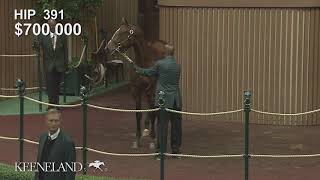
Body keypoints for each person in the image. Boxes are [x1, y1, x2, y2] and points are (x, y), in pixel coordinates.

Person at [132, 42, 182, 158]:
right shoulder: (177, 66)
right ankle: (176, 151)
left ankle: (161, 153)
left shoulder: (160, 64)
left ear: (164, 53)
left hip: (163, 100)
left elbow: (147, 72)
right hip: (176, 100)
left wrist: (135, 67)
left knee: (162, 126)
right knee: (176, 127)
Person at [34, 19, 68, 110]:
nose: (52, 27)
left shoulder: (62, 36)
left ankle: (56, 104)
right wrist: (35, 44)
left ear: (56, 26)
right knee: (49, 85)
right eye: (51, 25)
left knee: (57, 85)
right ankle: (51, 104)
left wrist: (66, 65)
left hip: (59, 65)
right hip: (48, 65)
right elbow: (37, 46)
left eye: (54, 25)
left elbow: (65, 51)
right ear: (48, 26)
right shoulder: (43, 36)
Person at [34, 109, 76, 180]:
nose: (53, 123)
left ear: (60, 122)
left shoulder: (68, 142)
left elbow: (70, 172)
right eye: (51, 120)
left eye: (56, 121)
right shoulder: (42, 138)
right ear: (46, 121)